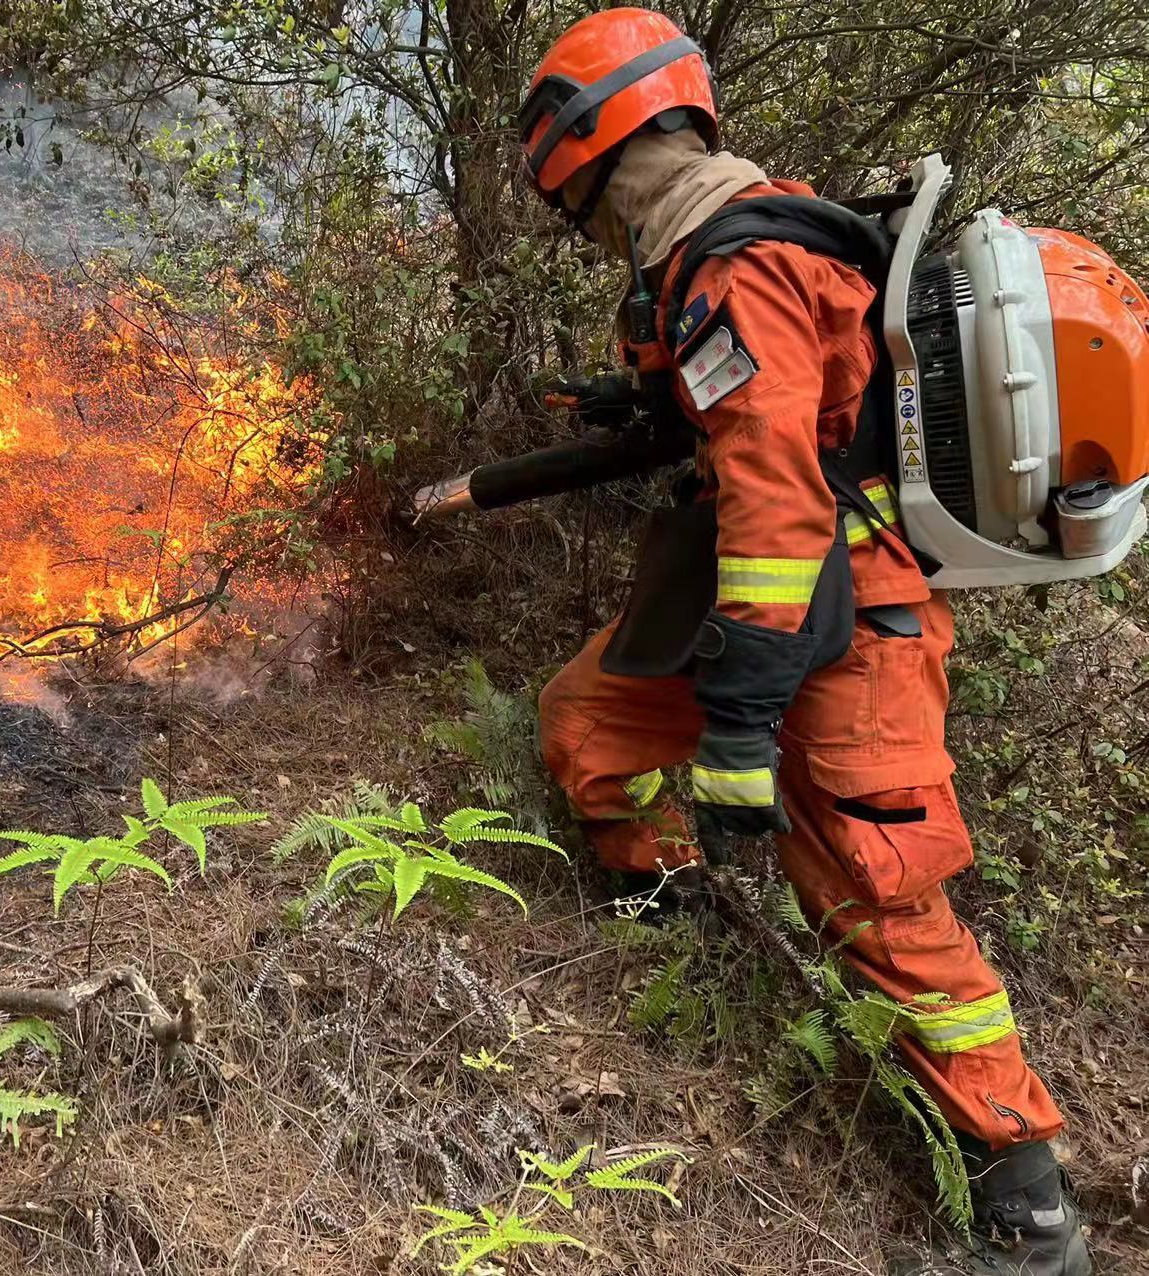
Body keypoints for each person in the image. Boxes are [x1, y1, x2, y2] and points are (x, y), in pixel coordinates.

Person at [458, 9, 1093, 1274]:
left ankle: (1027, 1209)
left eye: (573, 199)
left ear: (596, 155)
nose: (582, 227)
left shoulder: (731, 263)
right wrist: (632, 402)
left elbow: (779, 498)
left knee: (874, 896)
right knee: (588, 721)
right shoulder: (727, 240)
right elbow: (763, 404)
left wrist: (741, 726)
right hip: (770, 607)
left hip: (849, 629)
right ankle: (662, 901)